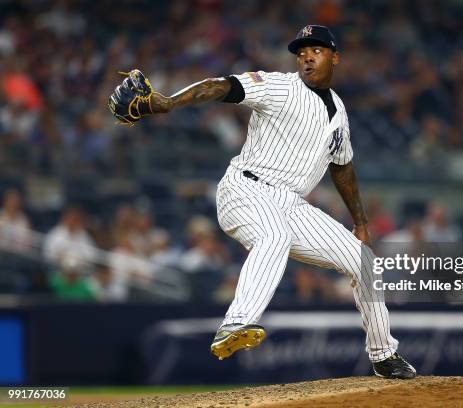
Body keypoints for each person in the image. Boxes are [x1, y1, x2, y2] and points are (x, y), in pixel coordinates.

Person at [109, 25, 415, 379]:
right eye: (301, 52)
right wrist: (169, 102)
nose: (306, 56)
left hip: (292, 204)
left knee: (364, 262)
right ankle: (236, 322)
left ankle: (384, 355)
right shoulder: (280, 87)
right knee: (274, 237)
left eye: (315, 49)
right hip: (246, 189)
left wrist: (360, 221)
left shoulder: (339, 111)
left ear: (334, 56)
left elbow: (342, 167)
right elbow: (220, 86)